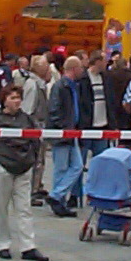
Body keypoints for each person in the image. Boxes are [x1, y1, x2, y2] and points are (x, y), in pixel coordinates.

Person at [0, 86, 48, 261]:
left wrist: (32, 159)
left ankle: (28, 245)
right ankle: (2, 244)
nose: (16, 101)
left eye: (18, 98)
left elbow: (35, 140)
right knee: (0, 208)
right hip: (2, 167)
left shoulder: (28, 120)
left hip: (23, 168)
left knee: (24, 208)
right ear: (4, 100)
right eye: (12, 97)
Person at [45, 56, 91, 217]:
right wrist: (63, 128)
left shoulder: (71, 87)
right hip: (64, 133)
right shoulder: (61, 87)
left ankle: (57, 195)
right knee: (63, 167)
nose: (82, 71)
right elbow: (54, 109)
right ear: (74, 69)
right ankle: (58, 199)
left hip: (71, 132)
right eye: (80, 68)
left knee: (76, 166)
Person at [21, 55, 51, 204]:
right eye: (46, 66)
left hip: (40, 126)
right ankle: (32, 190)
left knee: (40, 159)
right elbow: (28, 109)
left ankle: (37, 186)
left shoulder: (39, 84)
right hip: (35, 127)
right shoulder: (32, 85)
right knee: (35, 160)